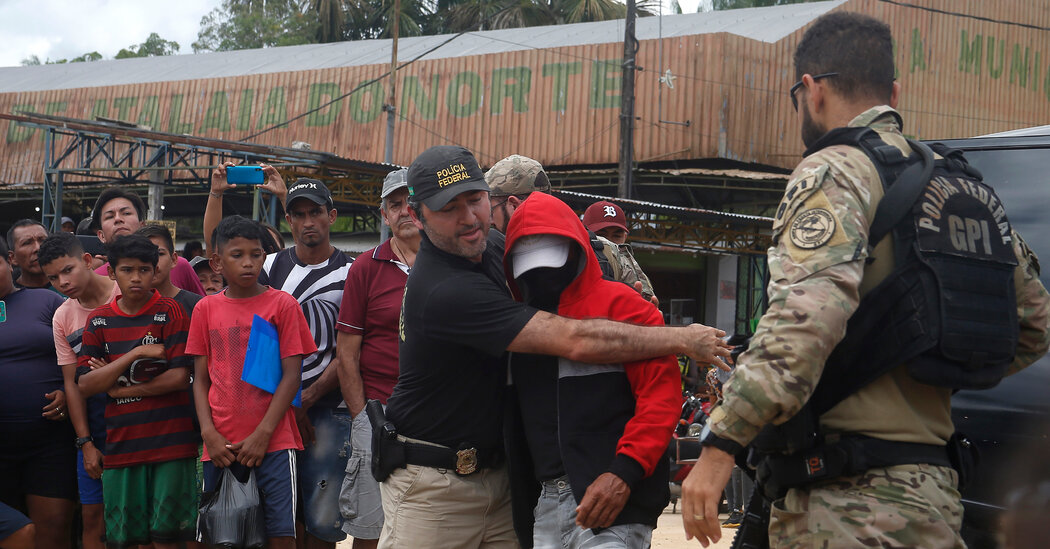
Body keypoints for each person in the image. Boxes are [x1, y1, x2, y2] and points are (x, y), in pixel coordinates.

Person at [681, 12, 1050, 548]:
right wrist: (924, 361)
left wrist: (719, 447)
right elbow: (1033, 326)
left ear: (811, 90)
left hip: (844, 507)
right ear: (893, 91)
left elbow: (797, 330)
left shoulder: (834, 170)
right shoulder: (960, 185)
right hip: (938, 501)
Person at [378, 145, 733, 549]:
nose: (469, 218)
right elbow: (575, 338)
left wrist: (618, 299)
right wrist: (682, 338)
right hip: (434, 489)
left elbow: (654, 394)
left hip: (508, 485)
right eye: (449, 208)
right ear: (417, 215)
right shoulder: (443, 289)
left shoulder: (493, 249)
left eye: (475, 200)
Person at [502, 192, 680, 548]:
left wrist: (624, 472)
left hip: (616, 502)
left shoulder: (627, 307)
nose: (542, 276)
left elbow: (661, 397)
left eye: (551, 260)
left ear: (578, 248)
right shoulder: (516, 326)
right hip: (546, 506)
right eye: (530, 266)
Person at [186, 216, 317, 549]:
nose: (248, 263)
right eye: (237, 254)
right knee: (217, 535)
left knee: (280, 535)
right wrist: (209, 435)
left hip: (274, 442)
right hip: (220, 447)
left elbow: (292, 376)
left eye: (255, 254)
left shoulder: (281, 305)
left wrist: (263, 434)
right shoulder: (205, 309)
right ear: (216, 262)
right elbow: (199, 381)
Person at [77, 235, 200, 549]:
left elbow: (178, 377)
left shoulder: (171, 312)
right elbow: (86, 385)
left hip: (172, 444)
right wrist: (132, 357)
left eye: (144, 269)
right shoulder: (99, 320)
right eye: (128, 270)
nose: (136, 277)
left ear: (155, 270)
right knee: (129, 542)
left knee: (168, 540)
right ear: (112, 273)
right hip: (122, 446)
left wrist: (116, 383)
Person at [255, 177, 353, 549]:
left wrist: (306, 400)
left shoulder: (352, 271)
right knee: (280, 517)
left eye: (315, 212)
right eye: (299, 214)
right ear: (289, 221)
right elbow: (260, 345)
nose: (308, 221)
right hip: (274, 411)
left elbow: (348, 350)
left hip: (330, 408)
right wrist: (286, 405)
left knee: (323, 521)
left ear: (332, 216)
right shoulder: (269, 267)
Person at [334, 168, 417, 548]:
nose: (405, 211)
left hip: (437, 419)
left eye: (412, 202)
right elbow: (347, 353)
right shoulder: (366, 267)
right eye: (395, 205)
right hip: (380, 413)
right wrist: (361, 420)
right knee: (371, 528)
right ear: (384, 216)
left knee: (427, 526)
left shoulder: (452, 262)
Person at [40, 233, 119, 549]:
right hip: (95, 428)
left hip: (138, 422)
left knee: (140, 515)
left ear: (87, 261)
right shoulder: (63, 315)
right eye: (53, 278)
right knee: (92, 518)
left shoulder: (123, 293)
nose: (62, 282)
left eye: (67, 270)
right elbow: (72, 385)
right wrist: (85, 442)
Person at [485, 156, 655, 303]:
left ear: (513, 205)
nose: (490, 220)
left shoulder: (501, 253)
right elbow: (648, 305)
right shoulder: (606, 249)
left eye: (492, 209)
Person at [0, 237, 75, 549]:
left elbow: (83, 355)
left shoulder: (46, 301)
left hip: (49, 442)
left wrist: (66, 392)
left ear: (8, 261)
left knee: (53, 531)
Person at [91, 188, 206, 295]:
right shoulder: (97, 279)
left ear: (142, 225)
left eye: (126, 213)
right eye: (109, 216)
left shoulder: (178, 266)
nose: (118, 219)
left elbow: (205, 310)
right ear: (101, 236)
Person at [581, 201, 654, 302]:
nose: (609, 242)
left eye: (616, 236)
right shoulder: (575, 261)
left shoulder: (632, 267)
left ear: (624, 237)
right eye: (601, 236)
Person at [135, 225, 202, 314]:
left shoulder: (197, 306)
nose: (152, 261)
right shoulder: (125, 309)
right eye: (144, 254)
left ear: (173, 259)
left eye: (160, 253)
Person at [7, 219, 56, 292]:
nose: (38, 248)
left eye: (42, 240)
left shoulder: (71, 289)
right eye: (27, 243)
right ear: (12, 258)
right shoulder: (6, 296)